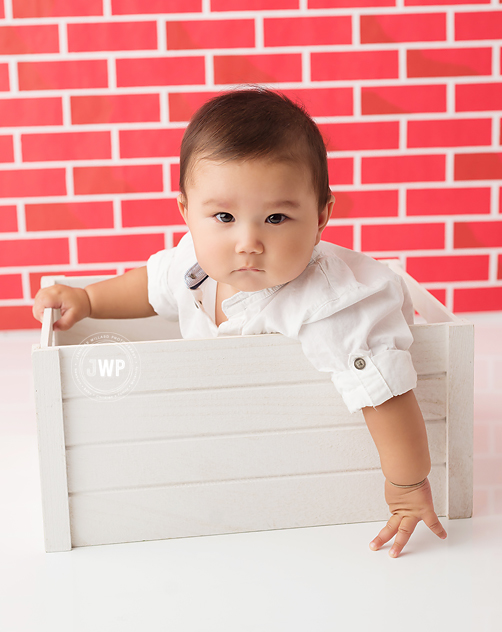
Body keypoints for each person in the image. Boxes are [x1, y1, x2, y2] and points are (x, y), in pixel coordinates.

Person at [33, 87, 447, 558]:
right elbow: (149, 285)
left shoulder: (331, 304)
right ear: (187, 212)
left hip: (298, 473)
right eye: (225, 216)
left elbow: (385, 395)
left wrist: (408, 483)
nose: (247, 241)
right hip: (213, 451)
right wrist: (87, 299)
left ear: (321, 216)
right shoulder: (193, 261)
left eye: (275, 217)